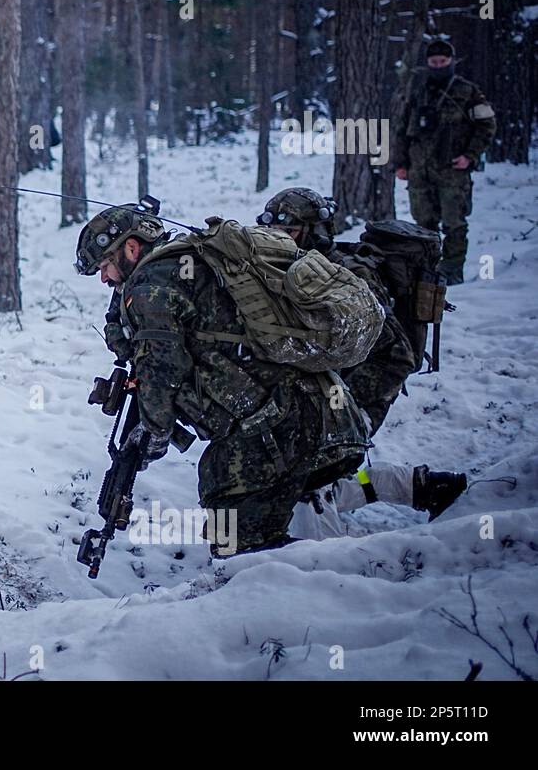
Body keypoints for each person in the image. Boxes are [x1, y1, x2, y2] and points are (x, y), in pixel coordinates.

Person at [77, 203, 368, 556]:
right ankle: (349, 579)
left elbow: (160, 367)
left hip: (276, 428)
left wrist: (153, 432)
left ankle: (357, 582)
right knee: (252, 529)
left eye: (105, 265)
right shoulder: (189, 263)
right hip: (311, 414)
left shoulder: (152, 281)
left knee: (239, 544)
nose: (104, 278)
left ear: (131, 247)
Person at [259, 188, 468, 536]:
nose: (278, 236)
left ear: (315, 231)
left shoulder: (346, 278)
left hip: (362, 390)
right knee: (319, 475)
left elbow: (395, 352)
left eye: (291, 230)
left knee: (310, 475)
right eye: (273, 228)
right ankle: (421, 487)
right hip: (322, 391)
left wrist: (350, 409)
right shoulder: (291, 269)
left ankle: (326, 563)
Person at [392, 37, 496, 286]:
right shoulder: (418, 92)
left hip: (452, 170)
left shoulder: (468, 91)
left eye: (442, 61)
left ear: (451, 62)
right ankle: (426, 271)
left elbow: (487, 125)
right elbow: (402, 128)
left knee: (454, 223)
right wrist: (400, 163)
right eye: (433, 62)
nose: (438, 66)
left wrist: (470, 156)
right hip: (420, 171)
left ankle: (451, 271)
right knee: (423, 224)